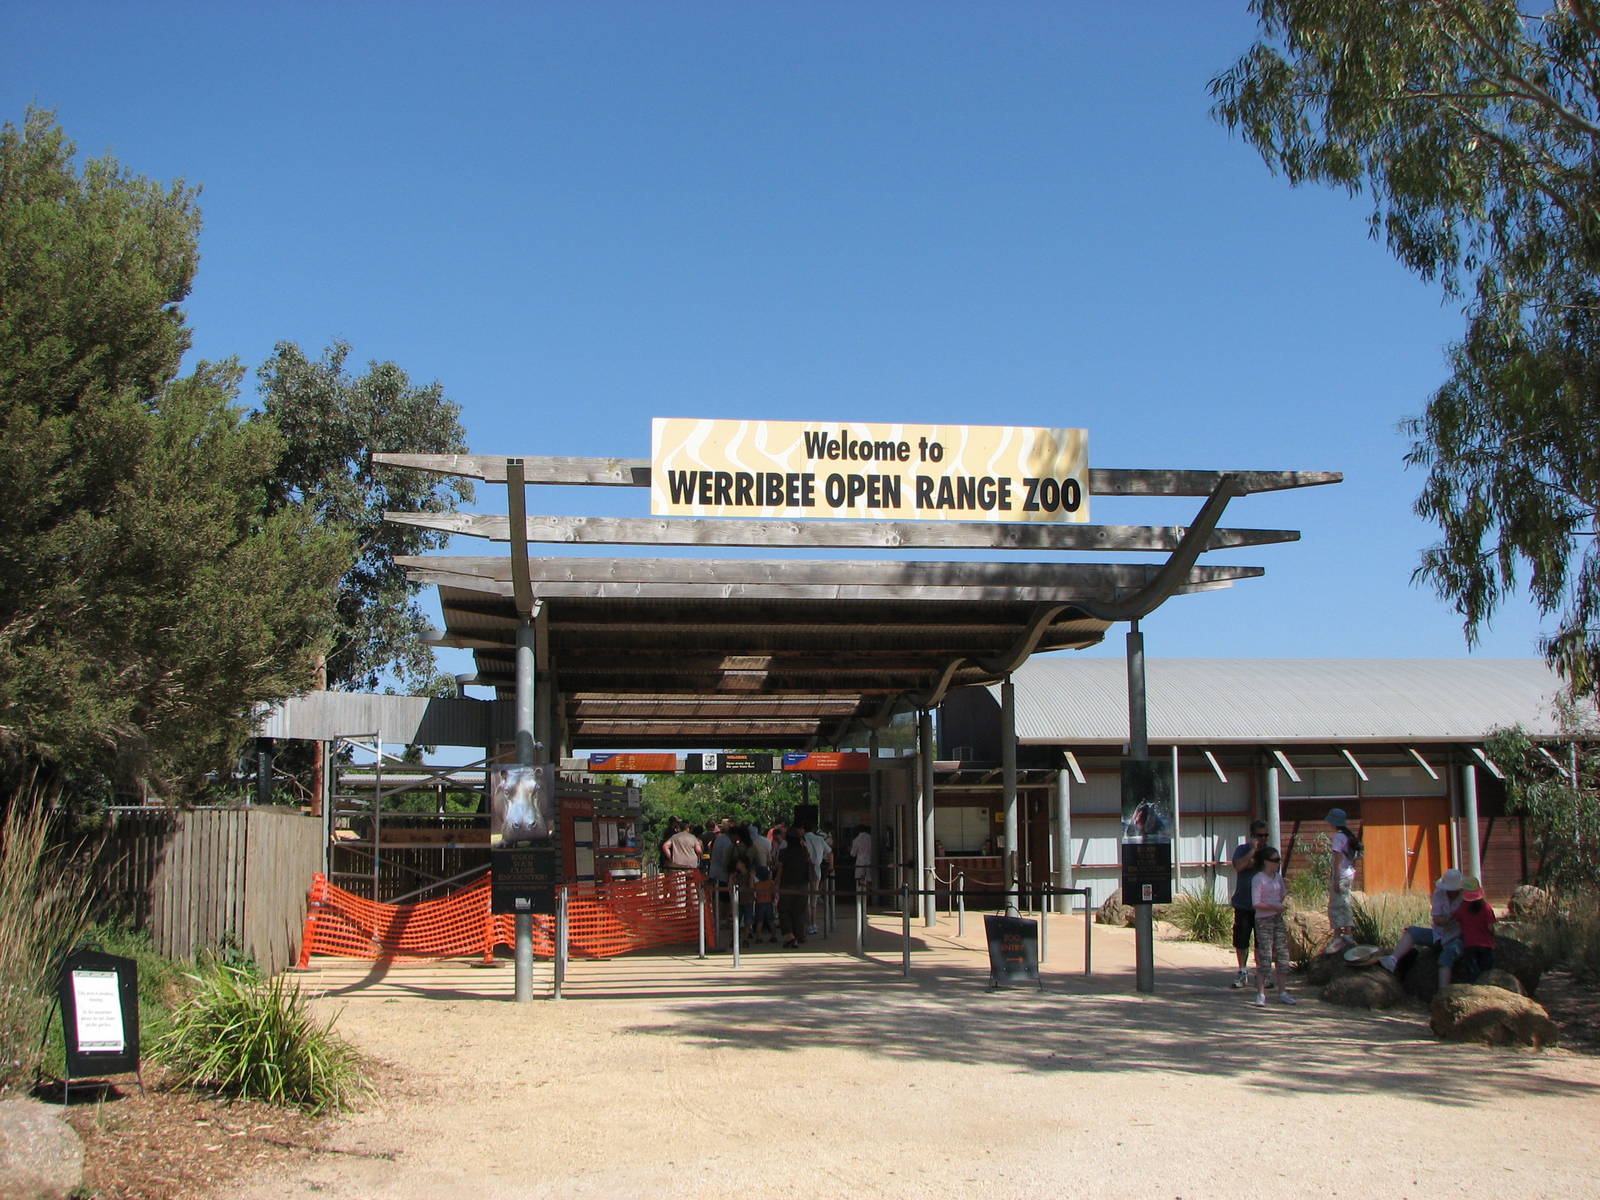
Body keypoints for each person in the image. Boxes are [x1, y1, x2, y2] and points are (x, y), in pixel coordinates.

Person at [1380, 868, 1466, 974]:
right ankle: (1393, 959)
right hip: (1438, 934)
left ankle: (1444, 988)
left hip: (1457, 937)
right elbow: (1437, 918)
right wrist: (1448, 919)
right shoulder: (1439, 894)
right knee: (1412, 932)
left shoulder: (1465, 897)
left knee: (1447, 956)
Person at [1251, 846, 1296, 1007]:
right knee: (1265, 956)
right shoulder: (1258, 878)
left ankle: (1283, 991)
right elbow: (1256, 902)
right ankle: (1261, 993)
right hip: (1264, 920)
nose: (1278, 863)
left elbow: (1283, 893)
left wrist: (1280, 906)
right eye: (1275, 860)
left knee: (1282, 954)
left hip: (1277, 918)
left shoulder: (1277, 877)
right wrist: (1273, 907)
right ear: (1266, 862)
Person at [1229, 820, 1269, 989]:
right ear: (1252, 836)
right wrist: (1252, 850)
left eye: (1266, 835)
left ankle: (1262, 973)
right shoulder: (1242, 850)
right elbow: (1239, 866)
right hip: (1243, 903)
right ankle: (1242, 971)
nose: (1263, 839)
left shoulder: (1269, 852)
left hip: (1262, 905)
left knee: (1262, 942)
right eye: (1260, 835)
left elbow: (1271, 871)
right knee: (1241, 940)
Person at [1325, 807, 1362, 954]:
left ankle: (1338, 936)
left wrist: (1335, 879)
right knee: (1345, 902)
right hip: (1349, 874)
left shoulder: (1338, 837)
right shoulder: (1348, 836)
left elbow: (1337, 859)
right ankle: (1348, 933)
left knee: (1335, 905)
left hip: (1340, 875)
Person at [1453, 876, 1496, 984]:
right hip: (1486, 945)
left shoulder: (1462, 908)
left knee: (1472, 973)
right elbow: (1490, 927)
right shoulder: (1486, 907)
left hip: (1469, 944)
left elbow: (1454, 919)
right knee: (1486, 974)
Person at [776, 820, 812, 948]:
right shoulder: (804, 852)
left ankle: (789, 936)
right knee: (799, 911)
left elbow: (780, 869)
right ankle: (799, 935)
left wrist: (776, 884)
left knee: (784, 910)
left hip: (787, 884)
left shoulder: (784, 852)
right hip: (802, 885)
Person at [804, 826, 833, 934]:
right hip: (817, 870)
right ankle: (813, 923)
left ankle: (808, 924)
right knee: (814, 899)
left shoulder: (803, 839)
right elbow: (830, 852)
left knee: (806, 898)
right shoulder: (820, 839)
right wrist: (831, 866)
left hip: (805, 870)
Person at [849, 824, 873, 897]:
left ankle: (860, 896)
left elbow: (853, 854)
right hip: (870, 861)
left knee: (859, 879)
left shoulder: (856, 840)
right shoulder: (871, 838)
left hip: (860, 862)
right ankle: (869, 896)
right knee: (869, 879)